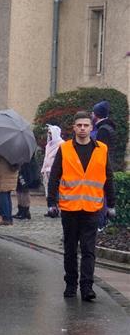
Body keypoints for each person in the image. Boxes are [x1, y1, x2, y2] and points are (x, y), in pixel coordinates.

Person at [47, 111, 116, 301]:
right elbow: (55, 176)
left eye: (86, 125)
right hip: (70, 208)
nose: (83, 128)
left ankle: (87, 287)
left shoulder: (101, 149)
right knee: (70, 249)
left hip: (92, 208)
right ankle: (71, 284)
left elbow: (108, 177)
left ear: (91, 127)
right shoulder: (66, 149)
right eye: (79, 125)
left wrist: (112, 204)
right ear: (74, 128)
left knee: (88, 250)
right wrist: (51, 202)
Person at [91, 100, 116, 230]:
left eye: (93, 113)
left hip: (101, 167)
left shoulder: (103, 130)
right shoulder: (108, 127)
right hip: (106, 164)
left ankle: (101, 223)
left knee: (101, 196)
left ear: (97, 114)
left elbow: (100, 151)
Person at [0, 149, 18, 226]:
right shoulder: (16, 146)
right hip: (10, 173)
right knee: (6, 195)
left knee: (3, 195)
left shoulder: (4, 146)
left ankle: (6, 218)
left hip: (3, 173)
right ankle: (8, 217)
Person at [42, 125, 63, 217]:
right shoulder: (48, 145)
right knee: (48, 191)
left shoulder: (61, 144)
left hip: (56, 171)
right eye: (48, 133)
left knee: (57, 191)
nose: (49, 135)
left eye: (50, 133)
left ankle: (58, 208)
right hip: (47, 171)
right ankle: (51, 208)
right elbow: (46, 158)